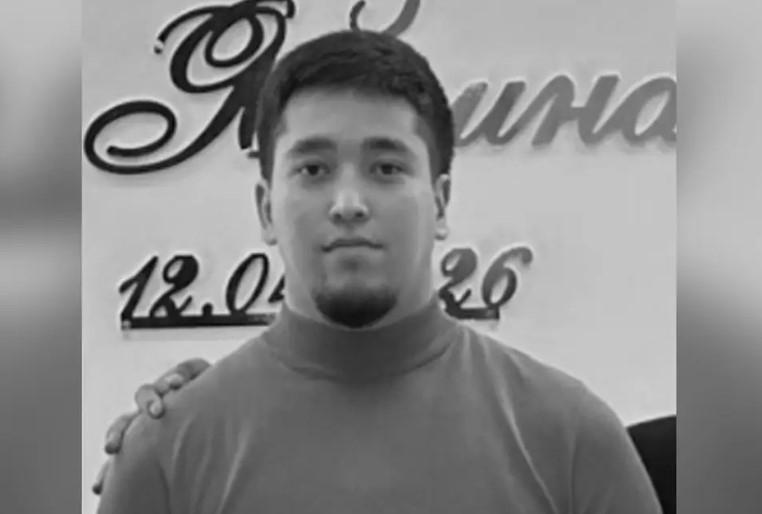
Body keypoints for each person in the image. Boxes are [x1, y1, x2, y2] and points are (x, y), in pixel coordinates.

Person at [94, 29, 662, 514]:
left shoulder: (571, 440)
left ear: (440, 202)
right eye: (313, 169)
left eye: (386, 168)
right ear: (266, 208)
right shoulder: (164, 454)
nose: (348, 202)